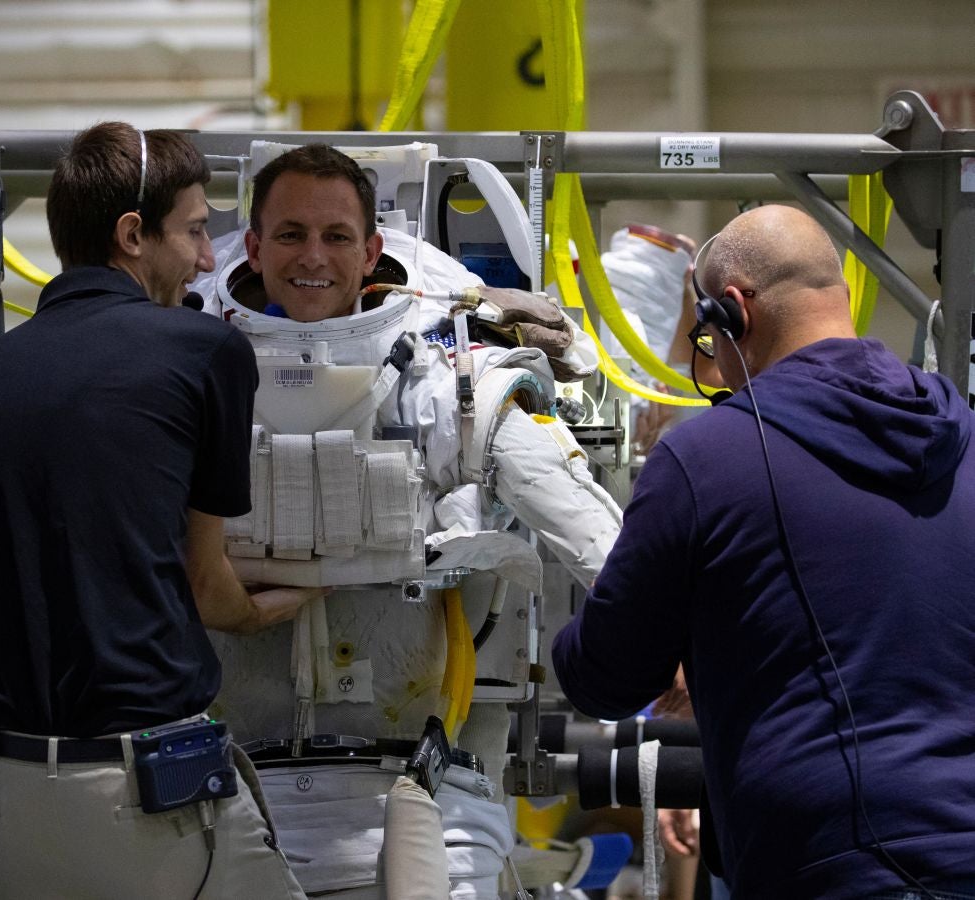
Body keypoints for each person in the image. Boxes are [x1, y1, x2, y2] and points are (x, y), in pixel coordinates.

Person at [188, 143, 625, 898]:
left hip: (424, 793)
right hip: (225, 792)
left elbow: (591, 534)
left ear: (372, 252)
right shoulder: (185, 369)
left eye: (336, 236)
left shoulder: (444, 374)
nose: (313, 256)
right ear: (252, 249)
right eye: (290, 235)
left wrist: (674, 644)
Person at [551, 204, 975, 899]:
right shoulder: (963, 439)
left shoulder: (705, 460)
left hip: (823, 866)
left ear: (734, 311)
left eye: (707, 337)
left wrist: (605, 602)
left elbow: (603, 678)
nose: (712, 367)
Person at [0, 122, 319, 900]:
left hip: (3, 799)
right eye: (194, 231)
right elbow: (206, 585)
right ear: (130, 235)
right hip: (146, 798)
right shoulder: (201, 351)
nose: (209, 259)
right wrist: (272, 609)